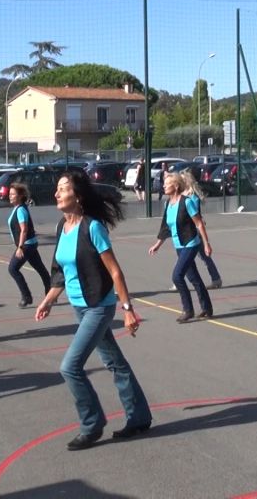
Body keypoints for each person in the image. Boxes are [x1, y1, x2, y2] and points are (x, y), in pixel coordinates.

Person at [35, 170, 151, 451]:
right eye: (57, 189)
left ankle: (92, 424)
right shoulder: (62, 227)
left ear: (78, 195)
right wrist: (49, 300)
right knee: (114, 362)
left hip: (98, 307)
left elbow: (115, 271)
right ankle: (139, 417)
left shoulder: (93, 227)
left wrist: (127, 310)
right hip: (79, 307)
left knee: (69, 367)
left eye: (63, 189)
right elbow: (60, 273)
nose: (57, 194)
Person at [149, 172, 214, 322]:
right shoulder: (167, 204)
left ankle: (188, 310)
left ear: (176, 186)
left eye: (167, 184)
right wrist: (157, 245)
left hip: (191, 243)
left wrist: (206, 244)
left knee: (177, 276)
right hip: (179, 245)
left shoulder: (187, 202)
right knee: (193, 277)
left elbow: (199, 223)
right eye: (164, 184)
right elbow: (165, 227)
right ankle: (207, 308)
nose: (164, 186)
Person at [6, 182, 51, 308]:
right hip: (30, 244)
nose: (10, 196)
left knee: (13, 269)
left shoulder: (20, 210)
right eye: (9, 194)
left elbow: (24, 230)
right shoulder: (17, 208)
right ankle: (50, 293)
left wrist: (20, 247)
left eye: (13, 194)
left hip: (26, 245)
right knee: (41, 269)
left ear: (20, 196)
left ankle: (26, 297)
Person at [181, 168, 222, 289]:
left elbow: (193, 213)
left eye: (183, 180)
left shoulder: (192, 196)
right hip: (186, 230)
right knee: (195, 257)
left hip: (194, 230)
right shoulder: (183, 194)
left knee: (195, 256)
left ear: (188, 180)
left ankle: (178, 279)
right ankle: (216, 278)